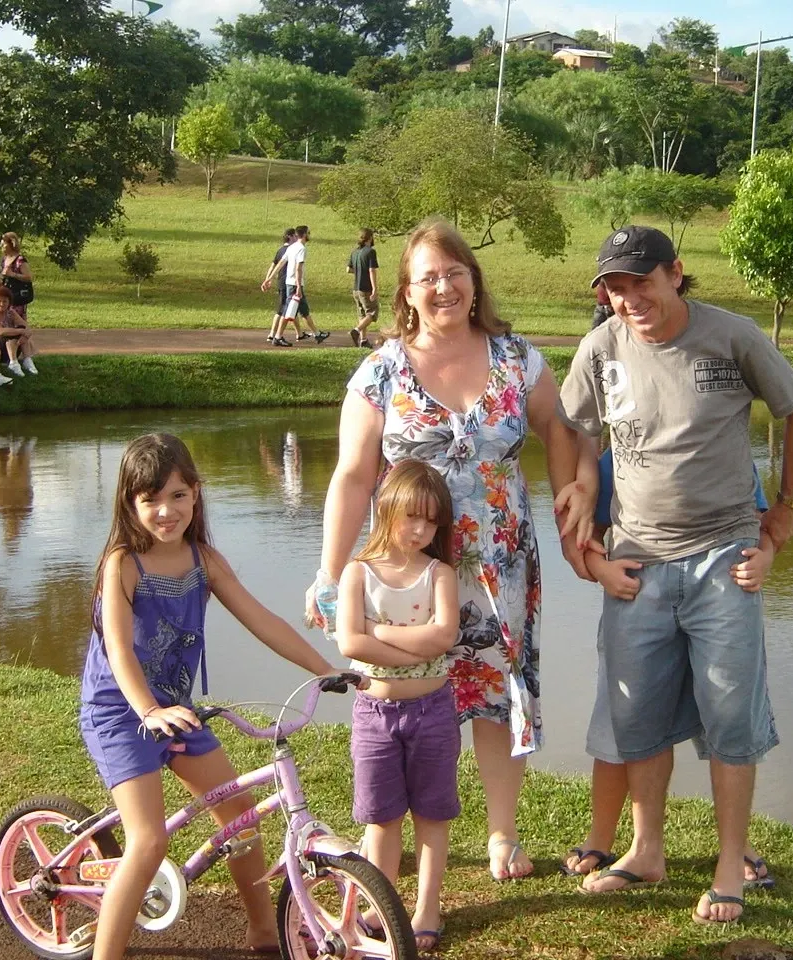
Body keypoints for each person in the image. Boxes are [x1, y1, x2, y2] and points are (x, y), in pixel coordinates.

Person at [309, 217, 589, 883]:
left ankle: (502, 836)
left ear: (474, 280)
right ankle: (389, 836)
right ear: (405, 292)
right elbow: (352, 476)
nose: (444, 287)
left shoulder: (518, 358)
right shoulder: (380, 372)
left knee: (496, 696)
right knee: (402, 697)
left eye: (455, 272)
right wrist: (329, 572)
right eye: (428, 277)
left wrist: (572, 488)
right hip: (405, 569)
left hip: (501, 565)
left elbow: (558, 426)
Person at [554, 224, 793, 925]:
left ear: (676, 273)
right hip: (637, 558)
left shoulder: (732, 337)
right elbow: (576, 429)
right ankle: (645, 851)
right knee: (637, 716)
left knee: (731, 716)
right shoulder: (600, 347)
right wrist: (584, 510)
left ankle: (731, 865)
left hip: (723, 558)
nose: (628, 297)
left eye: (640, 280)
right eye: (614, 285)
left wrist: (785, 510)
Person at [79, 433, 338, 960]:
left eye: (177, 495)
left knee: (241, 813)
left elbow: (260, 618)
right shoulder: (122, 565)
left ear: (196, 494)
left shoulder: (205, 561)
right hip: (120, 713)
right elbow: (122, 655)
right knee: (149, 840)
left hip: (177, 712)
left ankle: (266, 933)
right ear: (130, 504)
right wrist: (148, 710)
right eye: (149, 499)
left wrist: (324, 667)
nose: (165, 510)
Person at [562, 451, 776, 885]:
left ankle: (736, 847)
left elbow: (760, 527)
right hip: (638, 611)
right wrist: (602, 568)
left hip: (715, 606)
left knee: (725, 718)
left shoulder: (721, 444)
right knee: (620, 722)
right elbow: (586, 540)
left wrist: (766, 556)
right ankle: (611, 839)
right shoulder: (611, 460)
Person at [334, 459, 461, 952]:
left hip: (433, 709)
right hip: (375, 715)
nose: (420, 529)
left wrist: (380, 632)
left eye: (430, 521)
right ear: (386, 509)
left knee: (433, 811)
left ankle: (428, 907)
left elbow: (444, 637)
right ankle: (379, 903)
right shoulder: (358, 573)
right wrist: (414, 640)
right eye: (412, 516)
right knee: (380, 816)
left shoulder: (440, 573)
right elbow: (351, 645)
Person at [263, 225, 329, 345]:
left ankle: (318, 334)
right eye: (308, 233)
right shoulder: (301, 249)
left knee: (304, 311)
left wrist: (269, 278)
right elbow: (298, 268)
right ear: (304, 234)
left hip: (290, 283)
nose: (309, 235)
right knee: (288, 310)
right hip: (294, 285)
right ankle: (278, 337)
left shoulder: (291, 247)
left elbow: (280, 263)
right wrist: (298, 286)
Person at [260, 228, 305, 346]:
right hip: (287, 283)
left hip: (283, 282)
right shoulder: (291, 249)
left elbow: (273, 265)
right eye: (295, 236)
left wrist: (268, 278)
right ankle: (273, 334)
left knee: (291, 309)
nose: (297, 238)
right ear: (290, 237)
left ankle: (299, 333)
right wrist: (267, 280)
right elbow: (284, 265)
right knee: (282, 311)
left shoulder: (281, 250)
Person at [0, 283, 39, 376]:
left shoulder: (11, 313)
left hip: (12, 346)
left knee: (20, 329)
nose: (2, 304)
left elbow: (26, 327)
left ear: (9, 302)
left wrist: (25, 335)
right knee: (10, 333)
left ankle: (27, 360)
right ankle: (13, 362)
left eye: (5, 301)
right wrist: (21, 332)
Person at [348, 227, 380, 348]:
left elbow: (348, 269)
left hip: (356, 288)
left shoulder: (355, 252)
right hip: (366, 287)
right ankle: (356, 331)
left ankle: (364, 340)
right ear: (370, 238)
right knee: (373, 312)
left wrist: (359, 270)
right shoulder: (370, 252)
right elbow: (372, 270)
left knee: (362, 314)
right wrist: (375, 289)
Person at [0, 232, 34, 321]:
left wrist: (13, 274)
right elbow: (1, 278)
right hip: (6, 298)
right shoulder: (4, 259)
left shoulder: (19, 260)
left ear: (11, 244)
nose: (1, 245)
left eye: (4, 243)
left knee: (17, 322)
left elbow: (28, 277)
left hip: (17, 297)